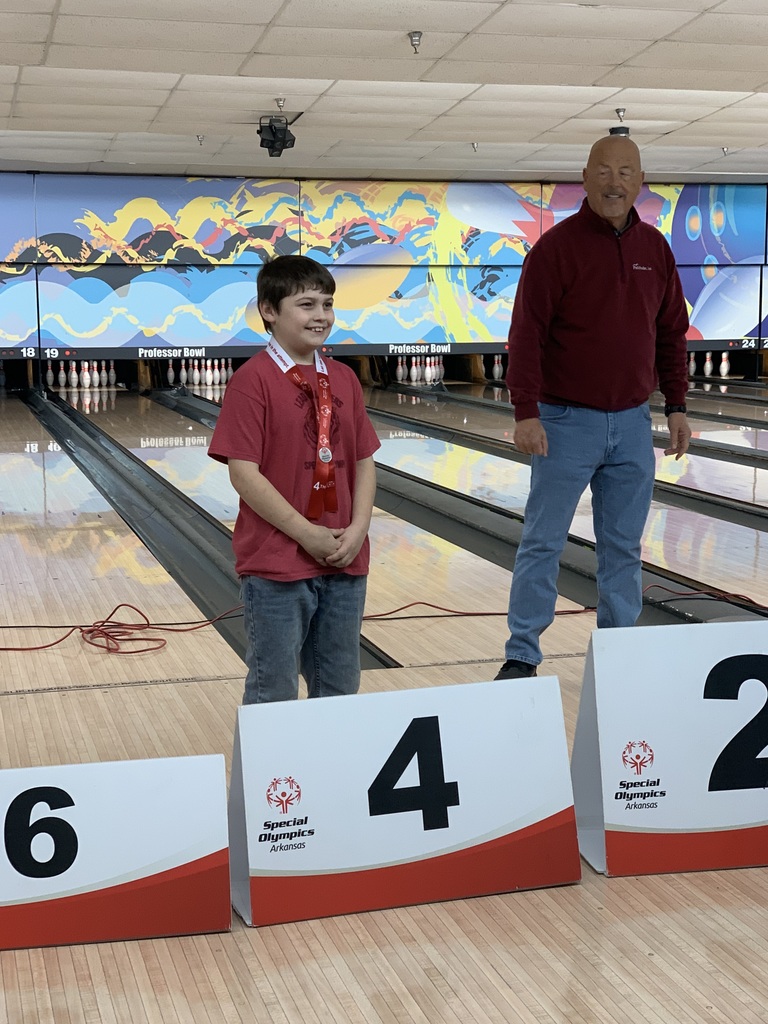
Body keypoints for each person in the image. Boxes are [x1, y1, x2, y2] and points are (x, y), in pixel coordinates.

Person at [496, 134, 691, 680]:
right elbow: (527, 334)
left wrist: (676, 405)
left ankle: (619, 654)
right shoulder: (555, 250)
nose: (614, 182)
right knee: (543, 541)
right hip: (564, 422)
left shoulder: (656, 250)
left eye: (626, 172)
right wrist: (525, 411)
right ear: (584, 178)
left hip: (632, 423)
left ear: (640, 182)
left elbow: (671, 334)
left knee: (624, 549)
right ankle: (522, 654)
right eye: (603, 171)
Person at [208, 255, 380, 703]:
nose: (321, 315)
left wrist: (358, 531)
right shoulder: (253, 381)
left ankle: (333, 773)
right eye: (306, 304)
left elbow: (364, 461)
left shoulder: (344, 379)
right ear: (269, 310)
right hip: (277, 564)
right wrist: (308, 535)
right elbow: (243, 475)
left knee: (341, 685)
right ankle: (276, 777)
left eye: (327, 304)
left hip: (345, 558)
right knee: (274, 687)